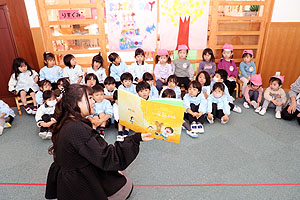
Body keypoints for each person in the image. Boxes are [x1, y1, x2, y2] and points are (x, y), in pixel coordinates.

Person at [45, 84, 153, 200]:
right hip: (79, 181)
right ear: (76, 103)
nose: (94, 101)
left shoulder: (67, 121)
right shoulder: (76, 129)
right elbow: (107, 157)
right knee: (125, 184)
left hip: (71, 175)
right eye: (90, 98)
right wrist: (136, 138)